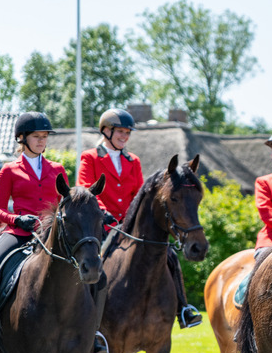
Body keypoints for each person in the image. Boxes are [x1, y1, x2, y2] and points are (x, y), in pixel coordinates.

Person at [0, 112, 108, 353]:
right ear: (22, 138)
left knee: (100, 277)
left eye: (44, 137)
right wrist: (17, 219)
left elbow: (67, 204)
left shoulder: (57, 169)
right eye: (36, 137)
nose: (42, 141)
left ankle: (92, 333)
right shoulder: (9, 171)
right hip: (19, 233)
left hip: (52, 238)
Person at [78, 108, 202, 331]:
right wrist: (104, 213)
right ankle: (87, 322)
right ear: (106, 131)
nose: (125, 137)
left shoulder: (133, 160)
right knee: (94, 261)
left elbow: (138, 194)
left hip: (128, 225)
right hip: (102, 224)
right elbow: (87, 190)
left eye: (127, 133)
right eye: (120, 132)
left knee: (170, 255)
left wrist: (131, 219)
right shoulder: (90, 157)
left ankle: (183, 309)